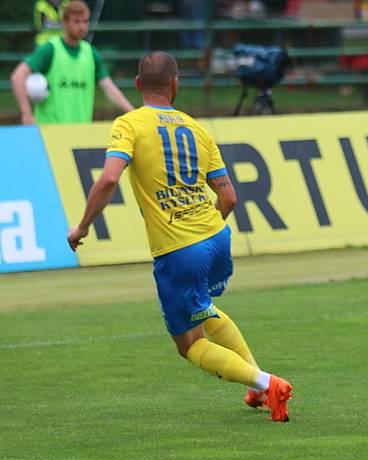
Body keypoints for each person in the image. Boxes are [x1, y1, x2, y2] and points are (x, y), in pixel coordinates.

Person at [66, 51, 293, 422]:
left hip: (178, 248)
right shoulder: (197, 128)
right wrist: (204, 231)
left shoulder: (129, 124)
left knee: (189, 345)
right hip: (217, 236)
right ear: (175, 85)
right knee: (204, 307)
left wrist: (83, 226)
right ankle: (257, 389)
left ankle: (266, 381)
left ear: (138, 85)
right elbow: (229, 197)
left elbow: (109, 178)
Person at [10, 1, 133, 125]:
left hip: (80, 134)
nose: (82, 27)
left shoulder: (91, 53)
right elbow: (17, 77)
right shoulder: (50, 49)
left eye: (85, 21)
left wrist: (133, 113)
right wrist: (27, 114)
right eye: (77, 21)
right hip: (49, 134)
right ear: (65, 23)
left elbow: (109, 88)